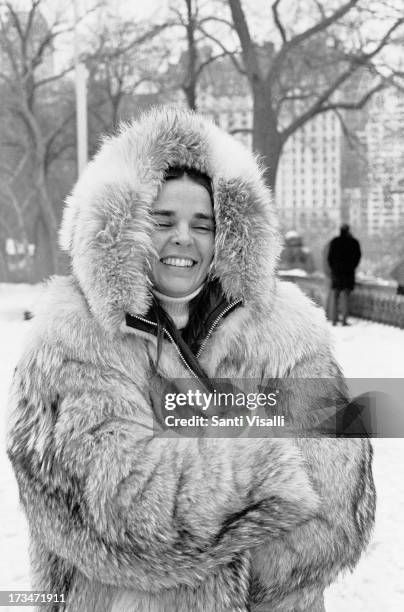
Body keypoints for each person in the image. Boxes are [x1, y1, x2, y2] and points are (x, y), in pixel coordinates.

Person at [7, 107, 375, 612]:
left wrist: (185, 453)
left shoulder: (287, 333)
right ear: (125, 227)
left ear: (225, 237)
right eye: (163, 220)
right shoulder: (70, 338)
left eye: (203, 224)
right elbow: (117, 508)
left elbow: (336, 497)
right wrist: (268, 471)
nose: (184, 237)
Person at [327, 224, 361, 326]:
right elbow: (357, 257)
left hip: (336, 272)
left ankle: (334, 320)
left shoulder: (335, 241)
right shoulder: (354, 242)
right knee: (345, 295)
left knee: (335, 295)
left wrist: (333, 268)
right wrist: (352, 267)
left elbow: (329, 258)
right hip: (348, 273)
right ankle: (344, 320)